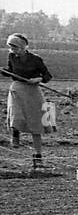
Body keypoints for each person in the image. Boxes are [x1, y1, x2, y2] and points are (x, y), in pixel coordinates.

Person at [5, 34, 51, 168]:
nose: (13, 50)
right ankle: (15, 134)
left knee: (37, 124)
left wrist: (38, 79)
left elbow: (47, 76)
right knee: (16, 114)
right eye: (11, 47)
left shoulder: (36, 59)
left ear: (23, 46)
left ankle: (38, 156)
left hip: (32, 91)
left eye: (15, 47)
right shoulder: (12, 57)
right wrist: (5, 71)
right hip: (17, 89)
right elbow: (11, 71)